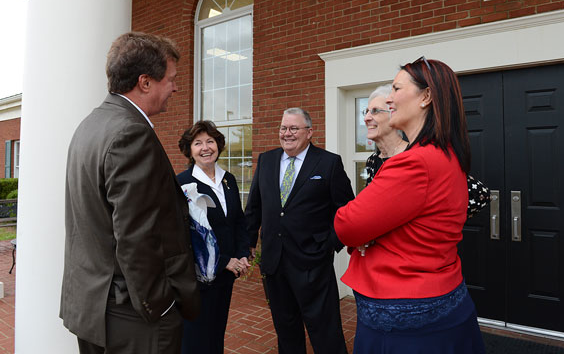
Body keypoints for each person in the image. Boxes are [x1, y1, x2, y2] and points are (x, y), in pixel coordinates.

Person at [60, 32, 201, 354]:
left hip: (92, 306)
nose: (176, 88)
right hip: (133, 316)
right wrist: (160, 306)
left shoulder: (91, 124)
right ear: (145, 82)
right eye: (171, 79)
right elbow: (137, 235)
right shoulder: (130, 133)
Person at [334, 57, 486, 353]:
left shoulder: (414, 163)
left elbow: (346, 224)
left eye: (396, 88)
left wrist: (370, 232)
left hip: (406, 318)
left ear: (426, 97)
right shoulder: (446, 155)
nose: (388, 98)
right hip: (443, 299)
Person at [245, 108, 354, 354]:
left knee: (326, 332)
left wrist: (328, 244)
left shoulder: (328, 163)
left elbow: (346, 210)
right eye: (283, 128)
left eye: (294, 128)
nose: (287, 134)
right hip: (274, 263)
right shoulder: (267, 160)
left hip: (312, 263)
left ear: (309, 132)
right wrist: (248, 242)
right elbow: (254, 206)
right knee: (286, 330)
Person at [176, 120, 251, 354]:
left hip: (226, 275)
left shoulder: (228, 180)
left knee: (217, 332)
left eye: (210, 141)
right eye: (198, 143)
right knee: (196, 338)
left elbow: (238, 220)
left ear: (218, 145)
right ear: (189, 150)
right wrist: (224, 260)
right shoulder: (182, 184)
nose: (205, 147)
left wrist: (241, 254)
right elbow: (185, 236)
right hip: (198, 279)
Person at [362, 84, 408, 186]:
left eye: (375, 111)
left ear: (395, 115)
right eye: (366, 112)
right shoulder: (372, 160)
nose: (366, 118)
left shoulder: (411, 154)